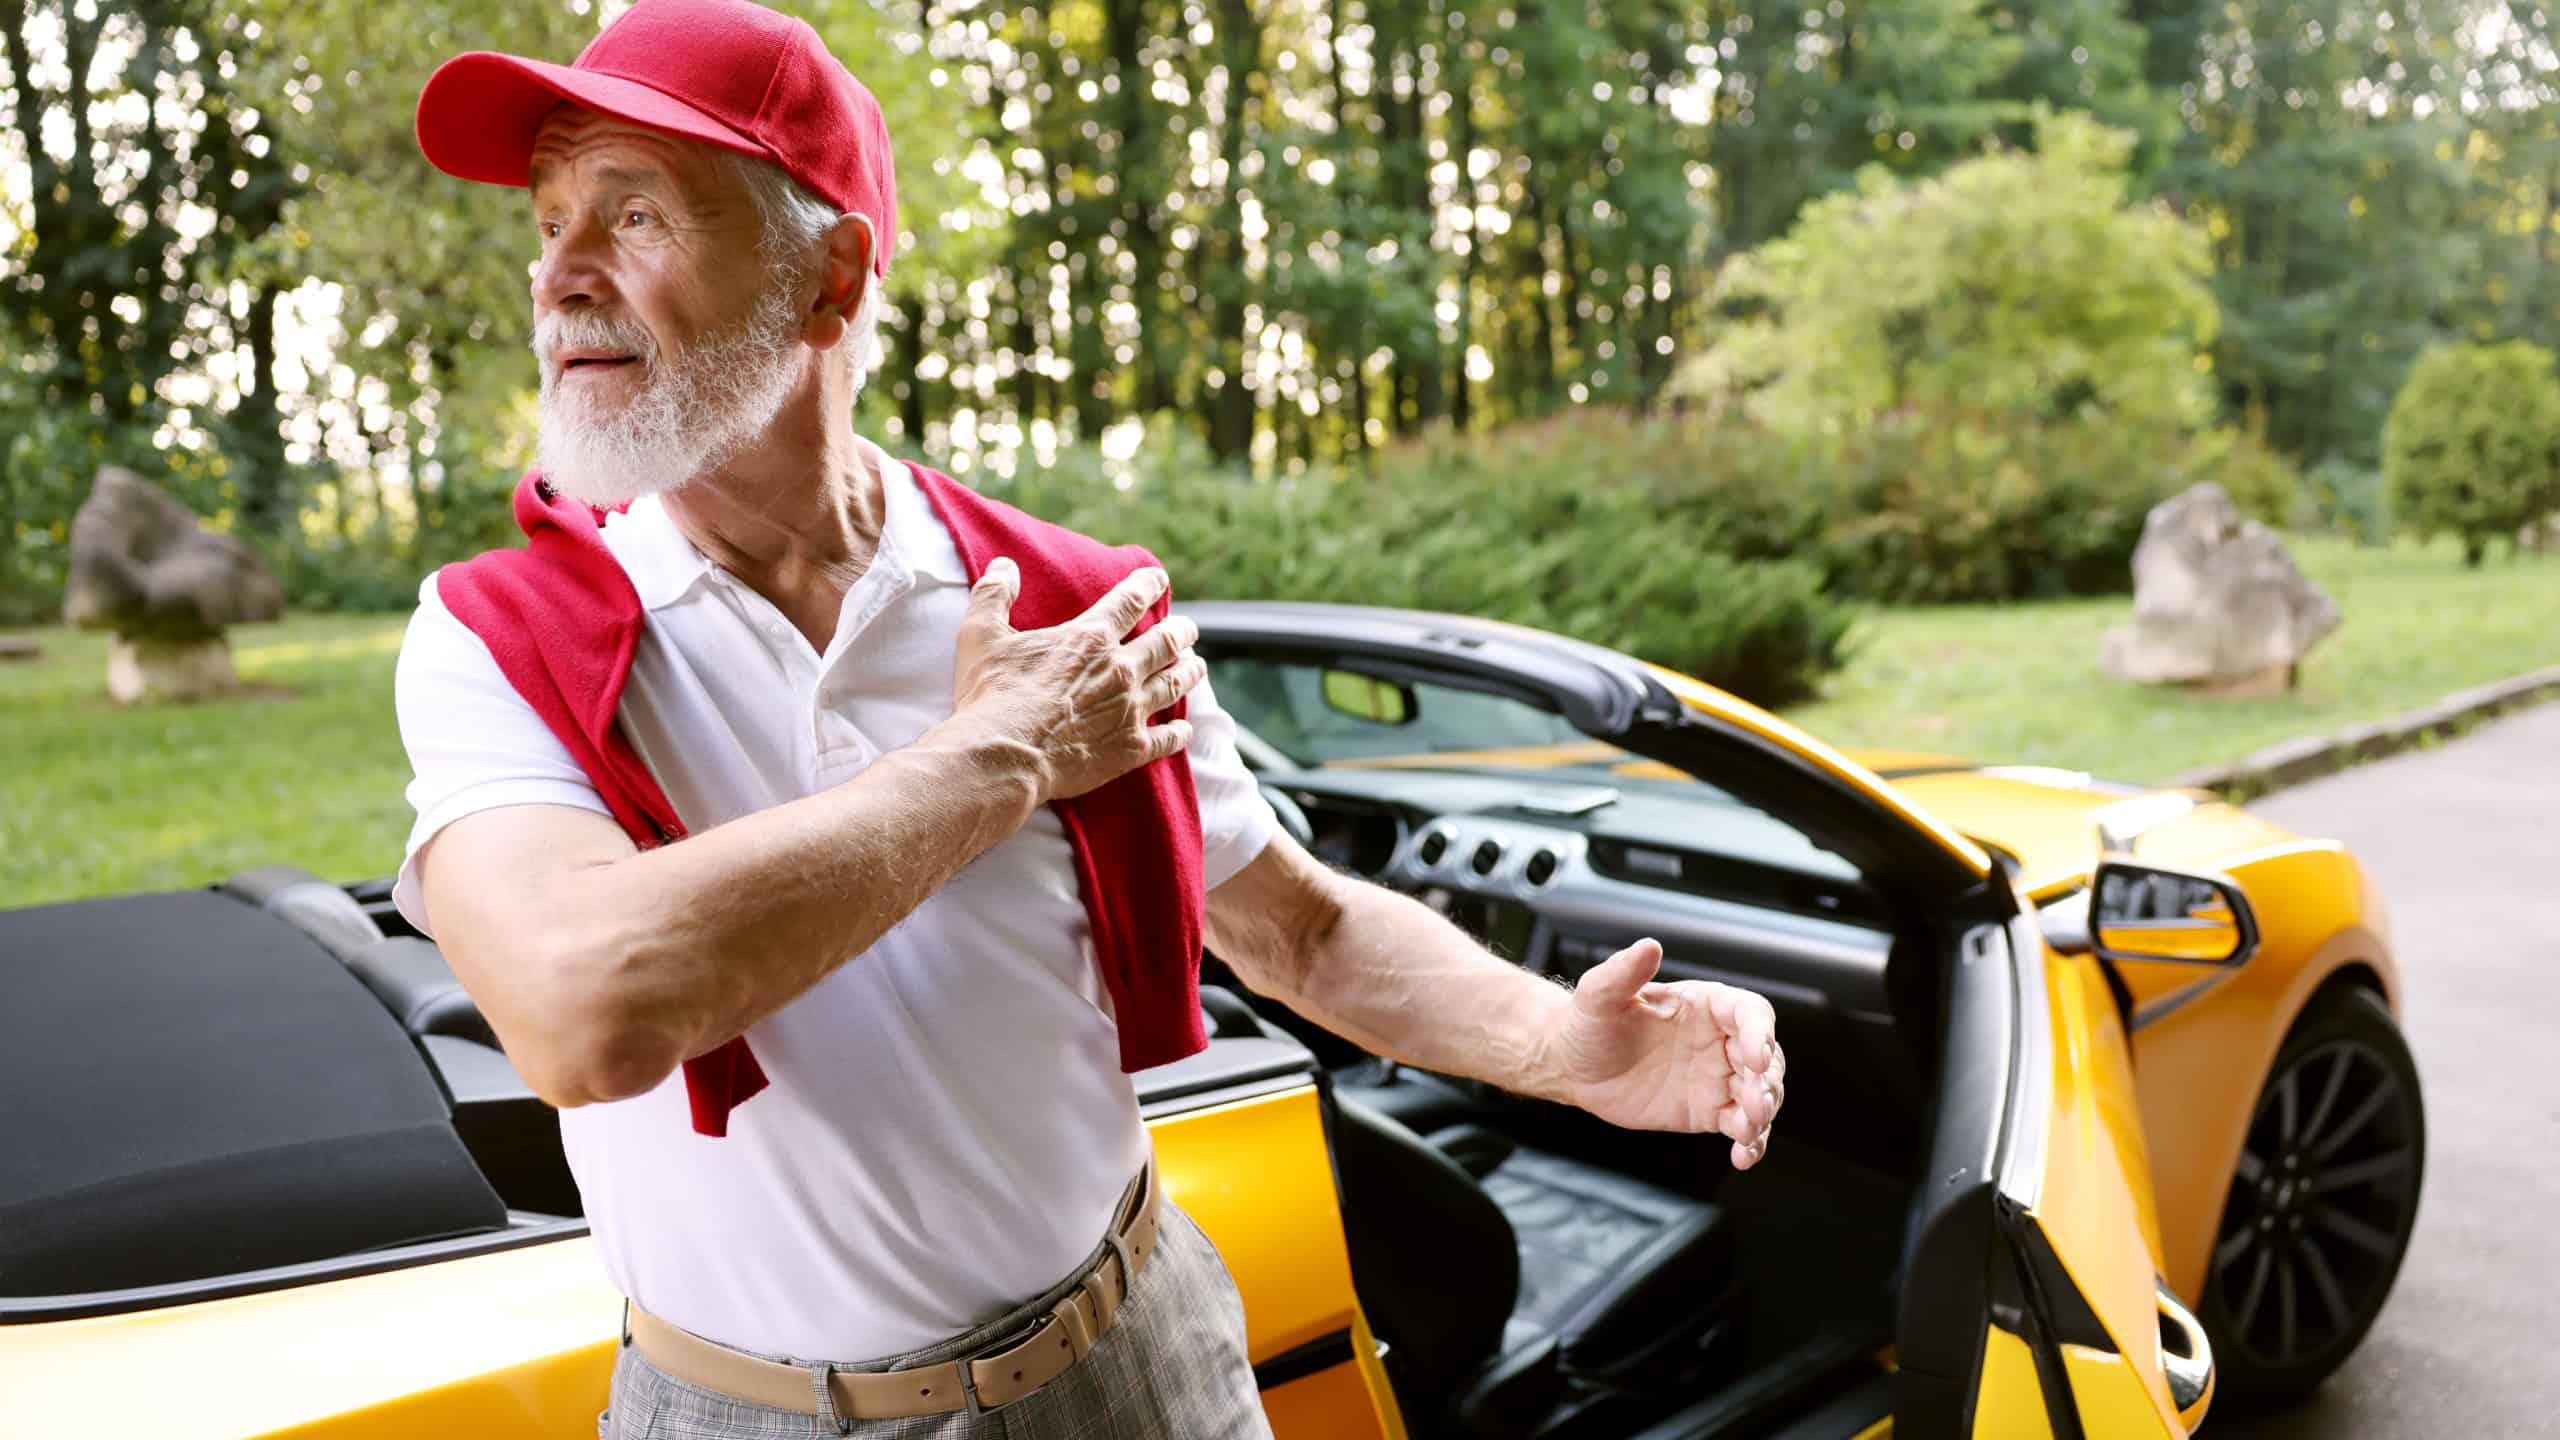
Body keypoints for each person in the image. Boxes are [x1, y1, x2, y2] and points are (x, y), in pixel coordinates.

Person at [396, 2, 1785, 1435]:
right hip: (744, 1410)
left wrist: (1560, 1046)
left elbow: (1296, 927)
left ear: (831, 274)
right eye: (551, 220)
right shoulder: (497, 637)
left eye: (632, 216)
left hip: (1135, 1364)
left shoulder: (1074, 606)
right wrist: (998, 760)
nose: (560, 274)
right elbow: (583, 1012)